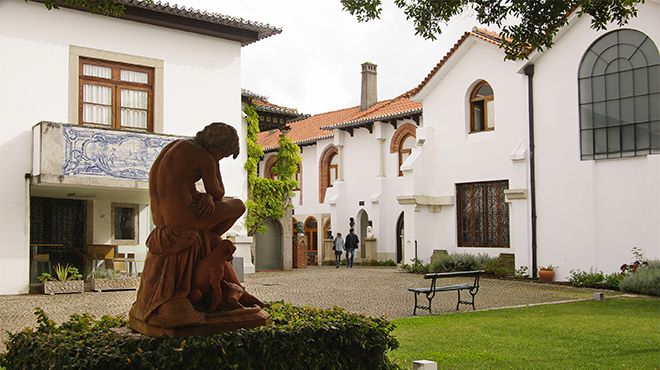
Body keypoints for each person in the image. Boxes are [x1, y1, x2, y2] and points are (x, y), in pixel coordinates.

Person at [130, 122, 264, 331]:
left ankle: (235, 286)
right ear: (218, 148)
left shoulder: (175, 147)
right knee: (237, 205)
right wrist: (213, 172)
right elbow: (219, 192)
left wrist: (203, 196)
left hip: (163, 221)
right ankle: (210, 238)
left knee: (212, 239)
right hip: (185, 221)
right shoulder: (204, 156)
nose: (220, 160)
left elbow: (180, 187)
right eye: (223, 156)